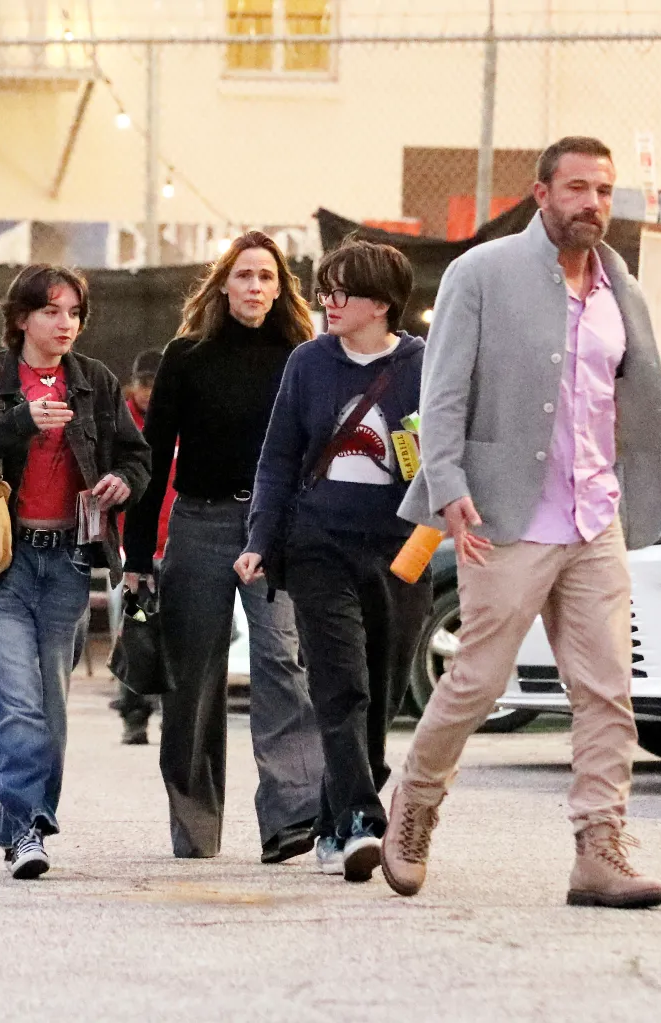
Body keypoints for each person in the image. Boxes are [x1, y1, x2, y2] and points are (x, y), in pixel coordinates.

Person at [380, 137, 661, 908]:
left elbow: (628, 402)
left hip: (593, 516)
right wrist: (446, 484)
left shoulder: (621, 288)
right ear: (540, 194)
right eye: (577, 188)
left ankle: (599, 847)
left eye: (604, 191)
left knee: (608, 689)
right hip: (504, 514)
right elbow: (442, 392)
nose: (593, 204)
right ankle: (414, 804)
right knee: (476, 679)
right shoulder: (483, 273)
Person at [0, 264, 151, 879]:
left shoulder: (96, 382)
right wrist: (20, 422)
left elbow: (136, 458)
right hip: (1, 561)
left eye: (75, 313)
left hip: (68, 560)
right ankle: (30, 826)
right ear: (22, 318)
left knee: (51, 705)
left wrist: (121, 483)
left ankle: (19, 822)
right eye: (53, 311)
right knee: (16, 699)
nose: (66, 324)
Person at [123, 230, 323, 862]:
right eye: (244, 276)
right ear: (222, 285)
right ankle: (195, 828)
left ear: (281, 288)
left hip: (275, 527)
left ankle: (291, 817)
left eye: (267, 277)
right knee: (193, 677)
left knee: (282, 662)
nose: (255, 287)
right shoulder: (186, 356)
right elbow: (152, 458)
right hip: (201, 522)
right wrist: (136, 559)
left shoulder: (303, 355)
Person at [235, 238, 430, 883]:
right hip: (318, 542)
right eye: (325, 289)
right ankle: (362, 823)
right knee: (339, 684)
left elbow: (449, 451)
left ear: (381, 303)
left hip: (400, 548)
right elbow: (278, 457)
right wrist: (260, 540)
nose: (328, 302)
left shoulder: (425, 366)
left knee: (384, 690)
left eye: (342, 291)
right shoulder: (309, 363)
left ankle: (334, 816)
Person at [110, 349, 171, 745]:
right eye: (144, 384)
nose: (150, 392)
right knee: (136, 630)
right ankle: (134, 714)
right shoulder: (119, 424)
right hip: (132, 555)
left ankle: (173, 717)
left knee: (175, 635)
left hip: (178, 547)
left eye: (156, 384)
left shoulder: (182, 420)